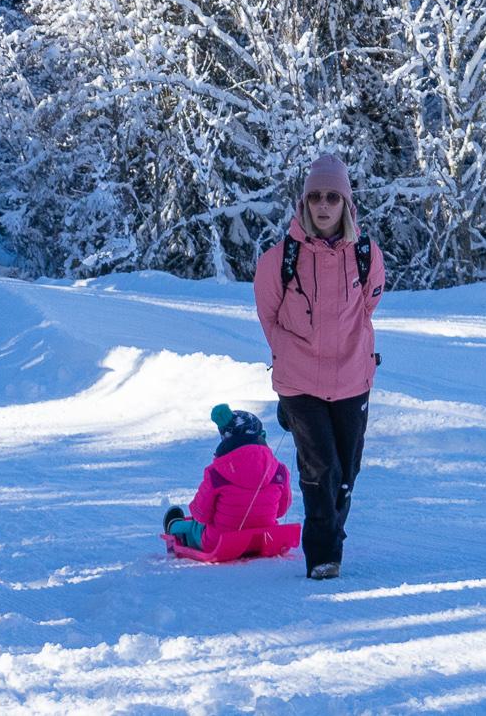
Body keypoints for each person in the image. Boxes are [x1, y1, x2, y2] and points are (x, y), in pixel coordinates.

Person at [253, 154, 384, 580]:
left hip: (352, 379)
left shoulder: (367, 255)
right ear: (304, 203)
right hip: (299, 383)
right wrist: (290, 358)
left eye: (332, 197)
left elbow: (367, 308)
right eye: (315, 197)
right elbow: (268, 315)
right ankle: (323, 555)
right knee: (320, 466)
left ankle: (332, 535)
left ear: (345, 203)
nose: (323, 205)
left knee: (347, 470)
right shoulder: (279, 260)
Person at [163, 405, 293, 552]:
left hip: (220, 542)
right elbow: (281, 510)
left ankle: (173, 527)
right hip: (264, 538)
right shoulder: (279, 470)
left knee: (193, 527)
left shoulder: (216, 473)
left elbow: (201, 515)